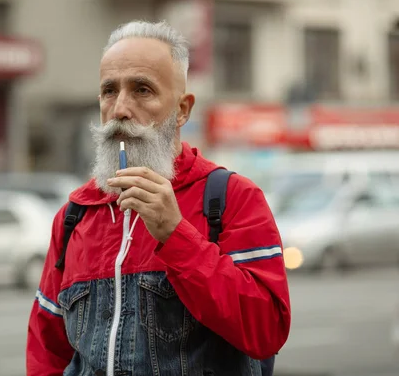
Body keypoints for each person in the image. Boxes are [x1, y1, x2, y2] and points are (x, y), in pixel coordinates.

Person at [26, 20, 291, 376]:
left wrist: (176, 234)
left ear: (182, 109)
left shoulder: (232, 199)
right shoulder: (75, 215)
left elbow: (267, 331)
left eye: (142, 90)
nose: (120, 108)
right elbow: (46, 352)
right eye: (109, 91)